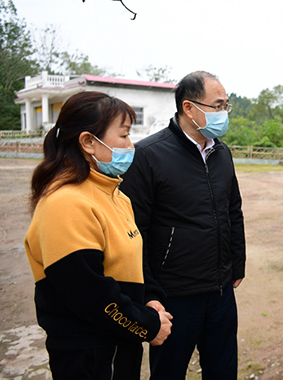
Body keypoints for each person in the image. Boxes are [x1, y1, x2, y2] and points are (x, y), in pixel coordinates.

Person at [24, 91, 173, 380]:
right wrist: (147, 325)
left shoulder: (116, 196)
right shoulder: (64, 203)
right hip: (88, 353)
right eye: (124, 136)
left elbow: (134, 258)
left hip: (120, 343)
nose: (131, 146)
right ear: (88, 141)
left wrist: (151, 298)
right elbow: (88, 293)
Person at [120, 70, 246, 379]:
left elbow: (233, 211)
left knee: (223, 369)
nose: (223, 113)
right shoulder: (148, 156)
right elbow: (136, 231)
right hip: (173, 294)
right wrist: (149, 291)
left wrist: (236, 264)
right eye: (217, 105)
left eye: (225, 105)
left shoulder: (221, 153)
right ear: (189, 108)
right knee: (169, 372)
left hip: (219, 290)